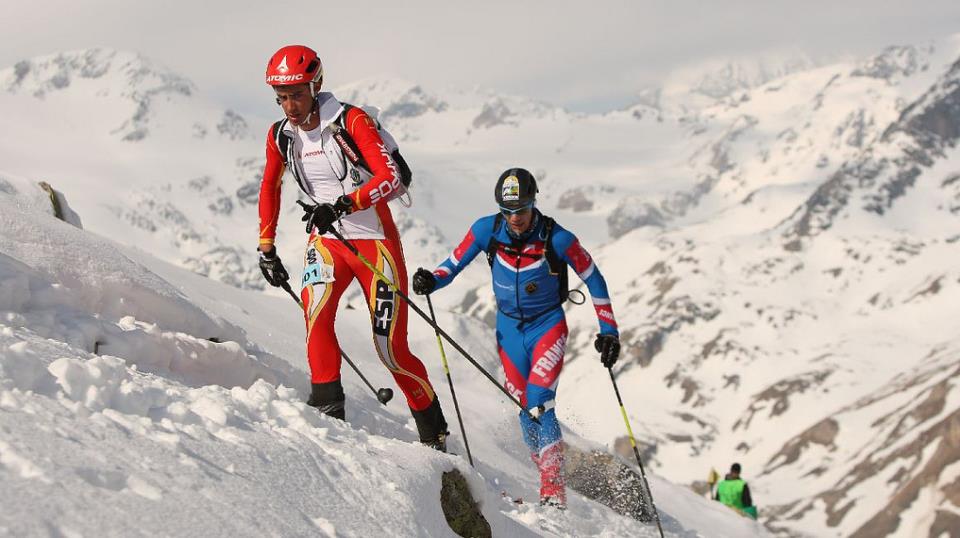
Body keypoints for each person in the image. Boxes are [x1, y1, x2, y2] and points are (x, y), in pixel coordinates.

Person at [256, 45, 449, 450]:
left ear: (316, 85)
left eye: (297, 94)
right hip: (327, 242)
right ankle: (330, 423)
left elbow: (391, 178)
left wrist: (345, 204)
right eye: (282, 96)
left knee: (390, 348)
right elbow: (269, 186)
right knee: (317, 318)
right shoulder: (281, 136)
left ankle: (434, 434)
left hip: (374, 242)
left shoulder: (351, 120)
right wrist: (266, 246)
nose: (290, 105)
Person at [412, 168, 621, 508]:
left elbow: (594, 279)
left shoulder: (558, 238)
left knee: (541, 401)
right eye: (507, 211)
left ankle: (554, 493)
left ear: (533, 203)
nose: (514, 218)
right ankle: (550, 470)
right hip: (508, 330)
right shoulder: (487, 230)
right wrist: (430, 281)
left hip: (547, 325)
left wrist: (609, 331)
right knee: (524, 409)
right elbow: (451, 265)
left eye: (521, 210)